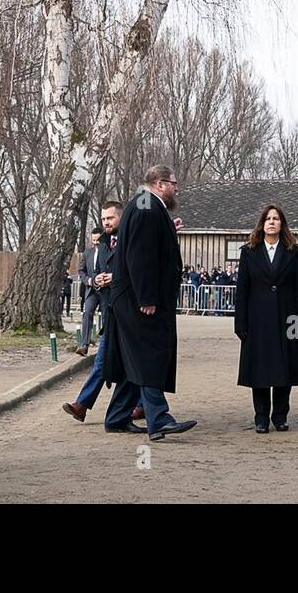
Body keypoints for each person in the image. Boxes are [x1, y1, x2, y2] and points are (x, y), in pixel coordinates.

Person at [103, 165, 197, 441]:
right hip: (138, 299)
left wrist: (169, 229)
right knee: (149, 354)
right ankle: (159, 418)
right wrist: (146, 297)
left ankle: (118, 416)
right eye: (173, 183)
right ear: (159, 184)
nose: (176, 188)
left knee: (133, 356)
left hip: (129, 297)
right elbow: (140, 255)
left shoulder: (146, 205)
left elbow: (146, 245)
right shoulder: (146, 206)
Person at [63, 202, 145, 423]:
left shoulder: (132, 240)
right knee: (102, 360)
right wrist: (98, 281)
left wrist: (115, 279)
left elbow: (138, 272)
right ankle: (82, 404)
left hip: (130, 312)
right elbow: (100, 273)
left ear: (121, 218)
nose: (106, 222)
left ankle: (143, 404)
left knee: (135, 361)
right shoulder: (103, 244)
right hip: (111, 313)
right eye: (103, 219)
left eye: (111, 218)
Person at [234, 204, 298, 433]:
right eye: (268, 218)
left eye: (276, 218)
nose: (272, 222)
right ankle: (261, 417)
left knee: (285, 367)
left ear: (282, 224)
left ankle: (280, 416)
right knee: (259, 369)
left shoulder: (293, 251)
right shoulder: (249, 252)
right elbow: (242, 291)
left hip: (288, 318)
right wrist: (241, 324)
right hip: (258, 320)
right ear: (262, 224)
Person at [76, 228, 103, 356]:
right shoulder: (87, 253)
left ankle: (107, 344)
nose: (96, 243)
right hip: (91, 290)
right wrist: (89, 281)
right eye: (94, 240)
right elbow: (81, 271)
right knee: (87, 313)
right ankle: (84, 345)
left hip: (106, 290)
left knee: (108, 316)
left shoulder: (108, 251)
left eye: (98, 240)